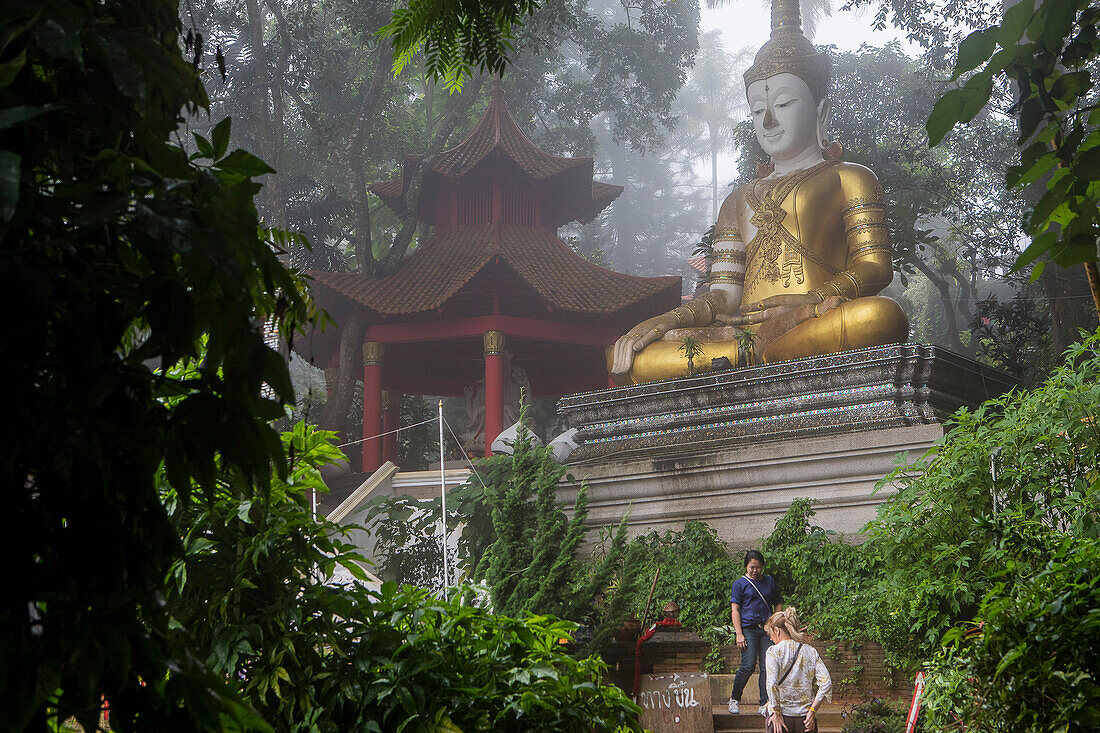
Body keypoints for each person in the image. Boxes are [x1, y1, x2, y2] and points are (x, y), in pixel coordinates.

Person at [608, 0, 908, 385]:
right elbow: (724, 297)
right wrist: (666, 320)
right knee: (642, 359)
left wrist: (813, 300)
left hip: (817, 318)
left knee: (880, 318)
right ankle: (762, 350)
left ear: (822, 112)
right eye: (756, 110)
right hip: (740, 331)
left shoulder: (849, 177)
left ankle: (759, 352)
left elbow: (875, 267)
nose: (768, 120)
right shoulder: (737, 200)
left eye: (783, 103)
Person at [728, 550, 783, 715]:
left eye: (758, 567)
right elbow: (735, 609)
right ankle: (734, 699)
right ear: (746, 566)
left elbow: (778, 602)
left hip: (766, 629)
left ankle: (764, 703)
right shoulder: (740, 584)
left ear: (763, 567)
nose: (755, 570)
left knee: (767, 666)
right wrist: (739, 633)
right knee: (748, 665)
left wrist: (774, 622)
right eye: (752, 567)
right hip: (748, 629)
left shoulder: (769, 582)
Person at [763, 607, 832, 733]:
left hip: (781, 721)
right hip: (805, 720)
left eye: (770, 634)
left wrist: (776, 713)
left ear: (777, 631)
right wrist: (812, 711)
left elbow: (771, 684)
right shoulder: (810, 651)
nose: (770, 638)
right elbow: (826, 683)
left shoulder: (773, 652)